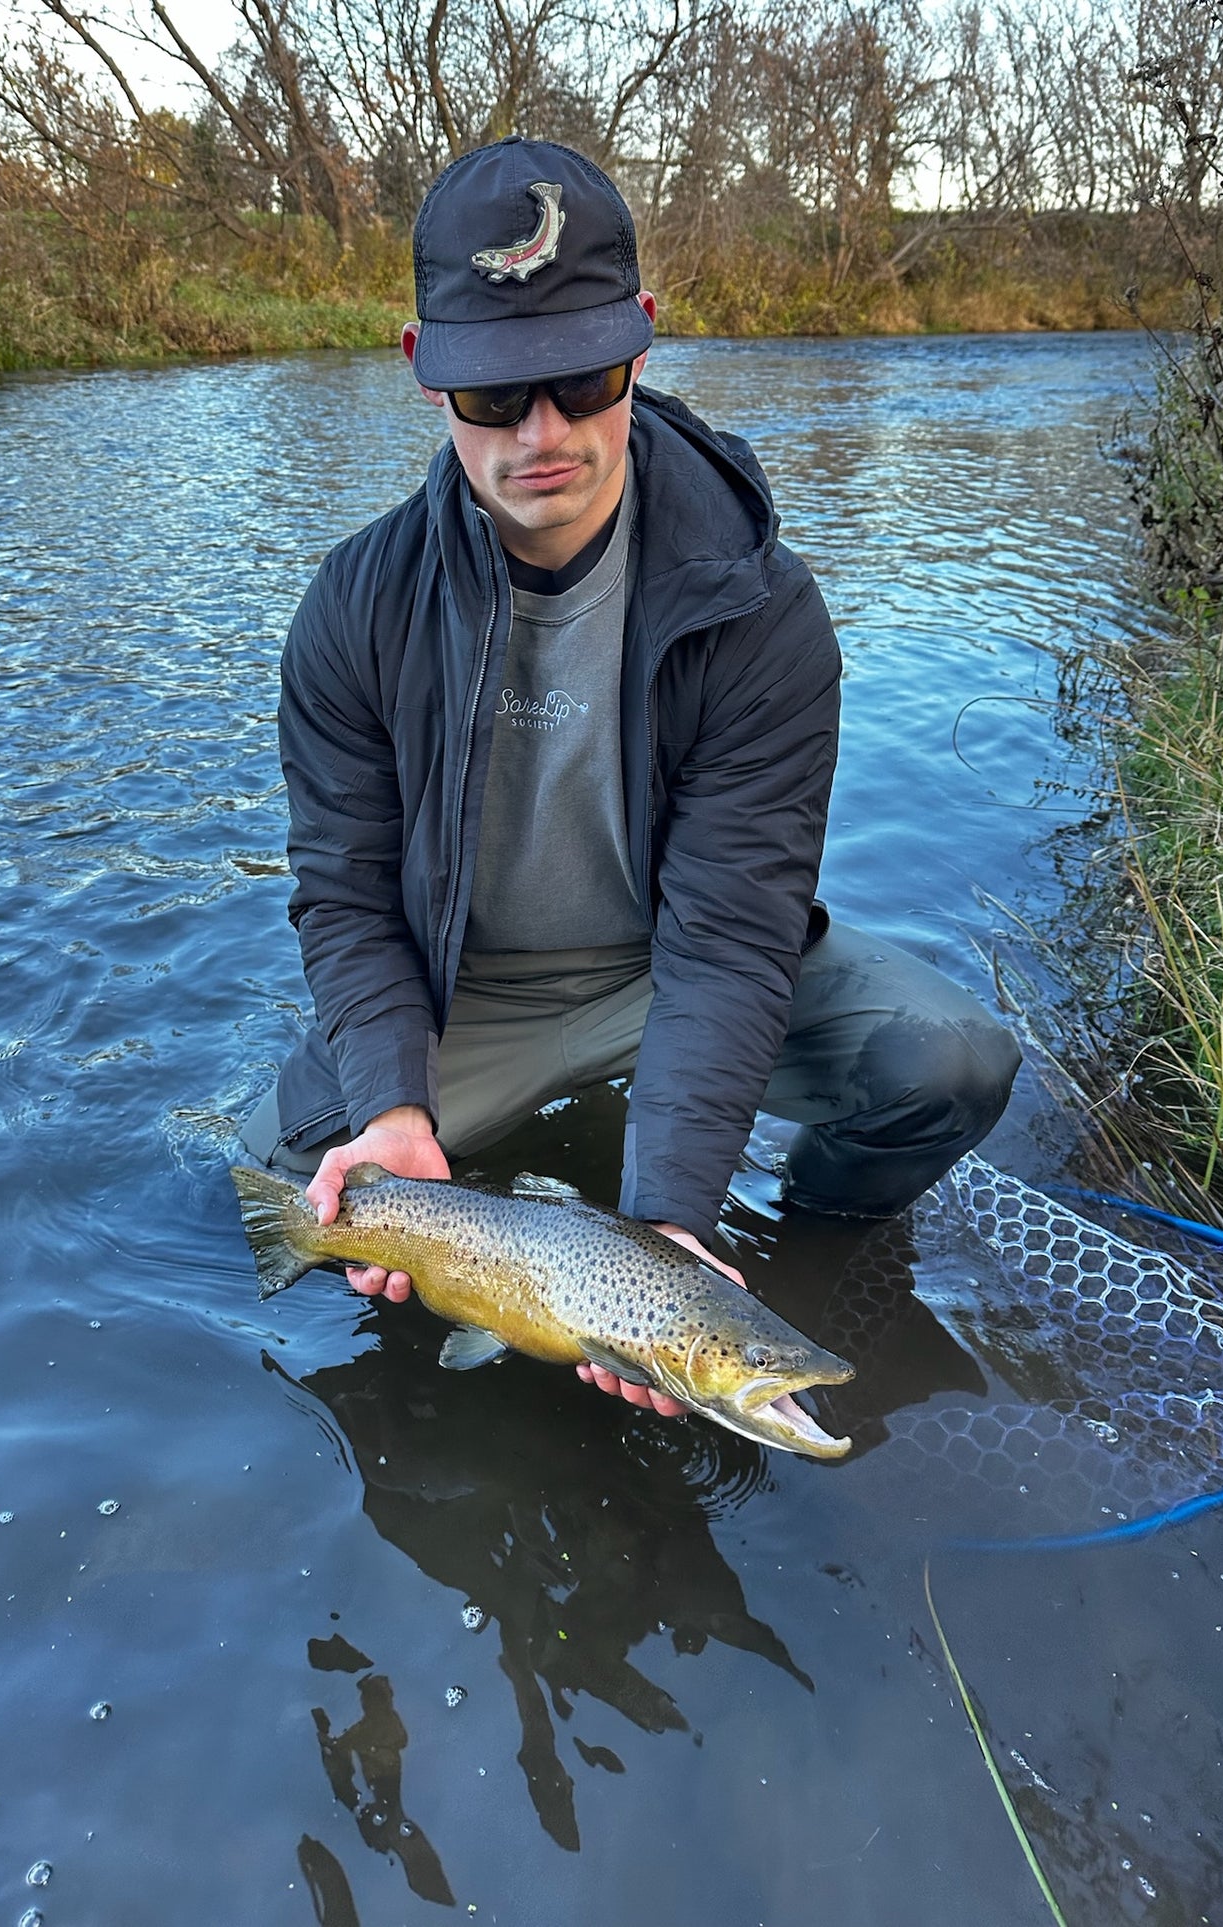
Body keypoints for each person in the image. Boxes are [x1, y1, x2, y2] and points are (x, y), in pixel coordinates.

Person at [240, 136, 1021, 1416]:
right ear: (422, 372)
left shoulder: (761, 609)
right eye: (495, 396)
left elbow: (729, 934)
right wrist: (386, 1102)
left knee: (947, 1067)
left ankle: (785, 1261)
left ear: (641, 343)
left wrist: (668, 1230)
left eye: (580, 378)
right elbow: (344, 894)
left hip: (673, 959)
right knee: (290, 1177)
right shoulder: (354, 609)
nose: (541, 434)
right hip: (469, 985)